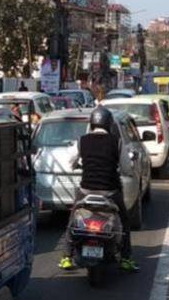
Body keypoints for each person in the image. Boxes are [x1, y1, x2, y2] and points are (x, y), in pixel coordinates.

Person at [58, 107, 139, 273]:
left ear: (92, 123)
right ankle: (126, 258)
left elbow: (70, 160)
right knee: (124, 221)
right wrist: (127, 171)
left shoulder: (82, 140)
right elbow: (126, 167)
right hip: (110, 192)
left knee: (73, 217)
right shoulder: (116, 142)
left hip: (86, 190)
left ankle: (66, 256)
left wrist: (77, 164)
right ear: (109, 124)